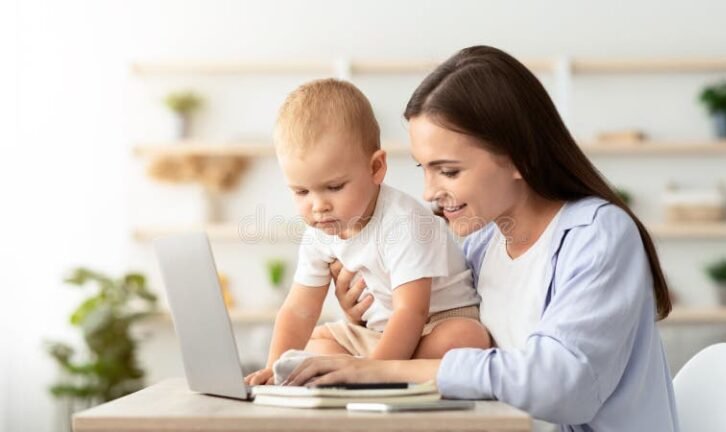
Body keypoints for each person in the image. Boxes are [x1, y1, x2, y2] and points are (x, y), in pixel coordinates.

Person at [281, 47, 679, 431]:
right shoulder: (480, 243)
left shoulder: (597, 235)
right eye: (424, 169)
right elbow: (429, 327)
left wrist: (379, 371)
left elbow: (562, 386)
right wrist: (366, 319)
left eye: (449, 171)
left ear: (520, 158)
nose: (428, 192)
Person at [244, 78, 490, 386]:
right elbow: (298, 309)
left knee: (467, 338)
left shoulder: (404, 222)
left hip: (433, 324)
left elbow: (411, 311)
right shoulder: (319, 232)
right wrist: (273, 367)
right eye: (301, 191)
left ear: (376, 168)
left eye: (334, 187)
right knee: (316, 345)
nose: (319, 206)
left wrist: (372, 373)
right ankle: (366, 373)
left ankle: (375, 377)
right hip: (377, 333)